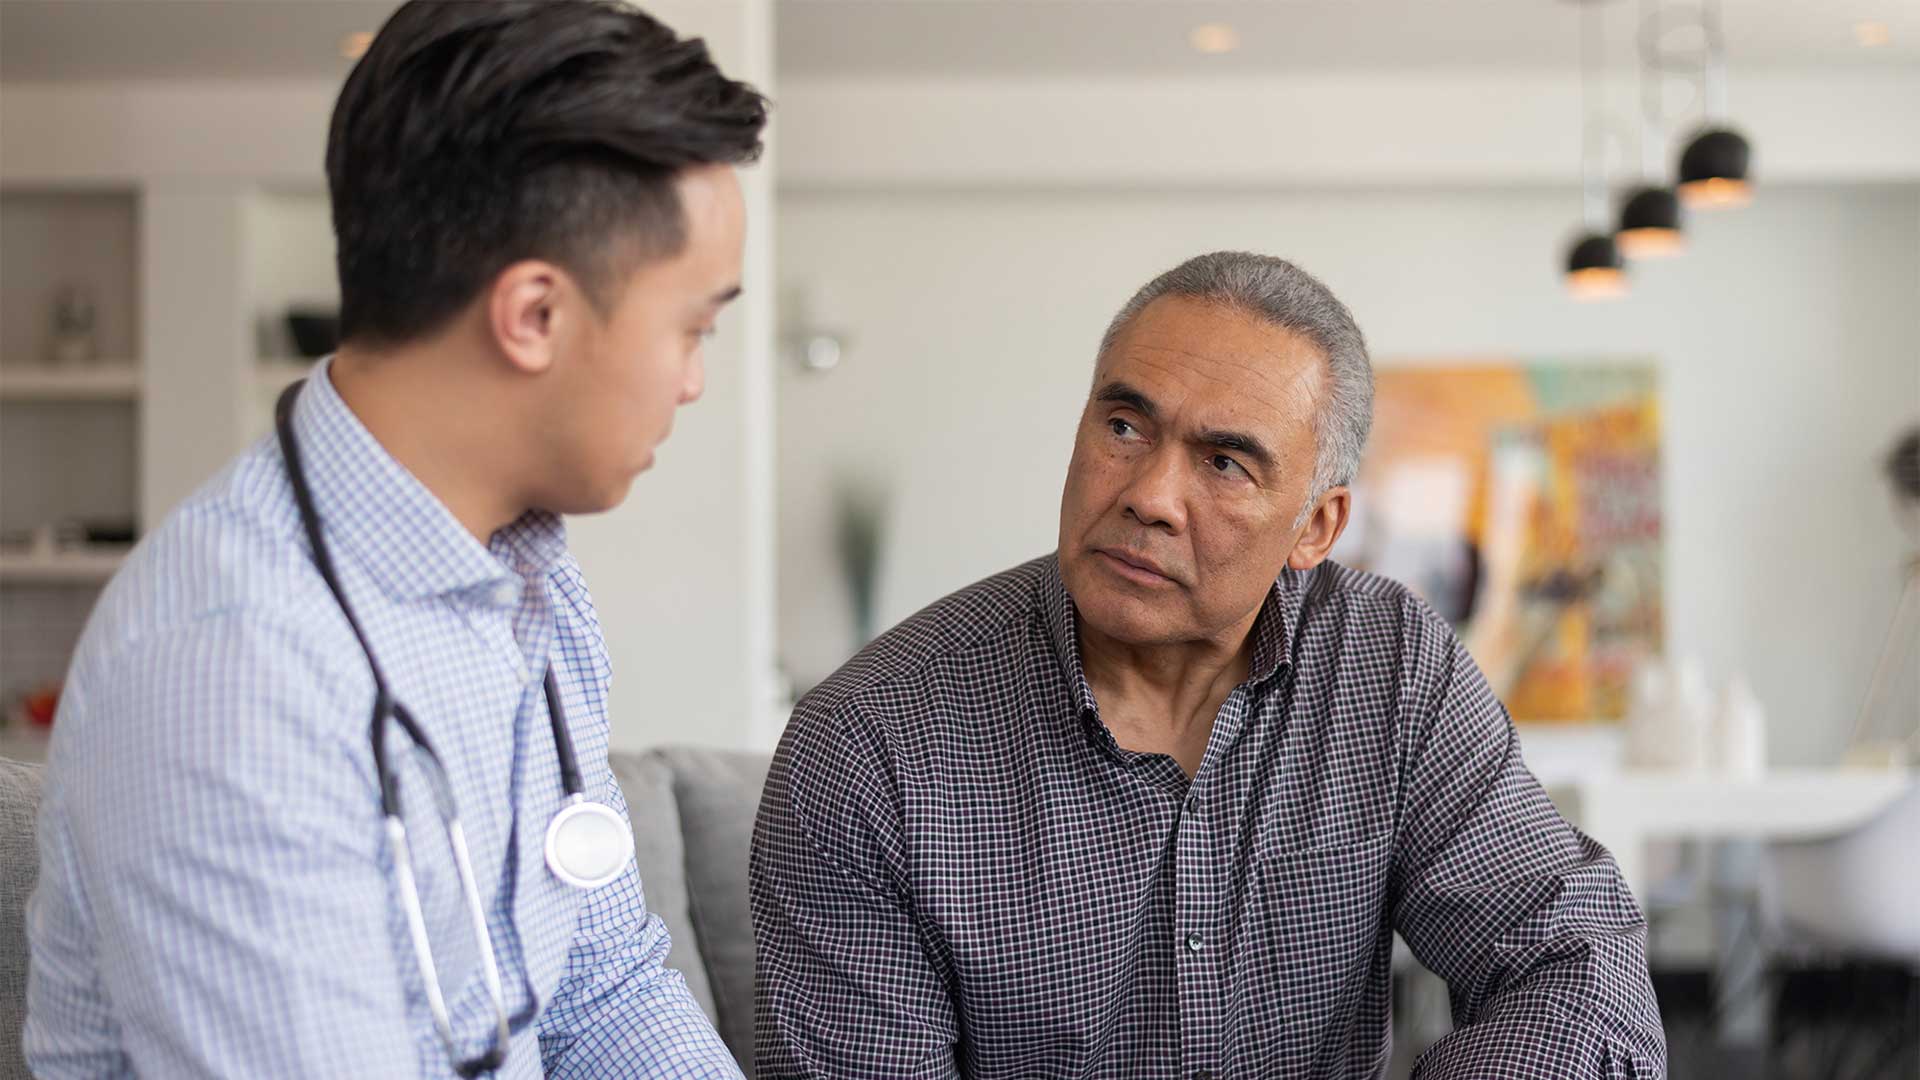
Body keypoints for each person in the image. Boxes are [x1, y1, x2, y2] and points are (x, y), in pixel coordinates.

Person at [25, 2, 765, 1076]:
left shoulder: (528, 581)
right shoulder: (233, 664)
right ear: (535, 315)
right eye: (691, 326)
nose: (694, 382)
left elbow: (604, 991)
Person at [751, 252, 1666, 1078]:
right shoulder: (867, 744)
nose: (1149, 496)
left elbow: (1572, 957)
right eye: (1123, 426)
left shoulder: (1387, 665)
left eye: (1225, 464)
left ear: (1316, 527)